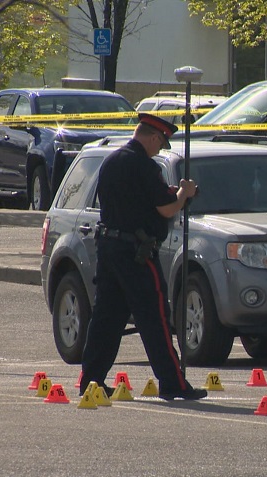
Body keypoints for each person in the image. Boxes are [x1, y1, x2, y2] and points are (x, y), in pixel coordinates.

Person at [79, 113, 207, 401]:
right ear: (151, 137)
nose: (160, 149)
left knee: (107, 319)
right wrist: (185, 195)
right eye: (160, 143)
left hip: (109, 249)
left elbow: (138, 199)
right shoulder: (144, 165)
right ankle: (173, 383)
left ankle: (91, 381)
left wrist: (173, 195)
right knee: (155, 318)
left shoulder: (111, 161)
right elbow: (165, 209)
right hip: (136, 254)